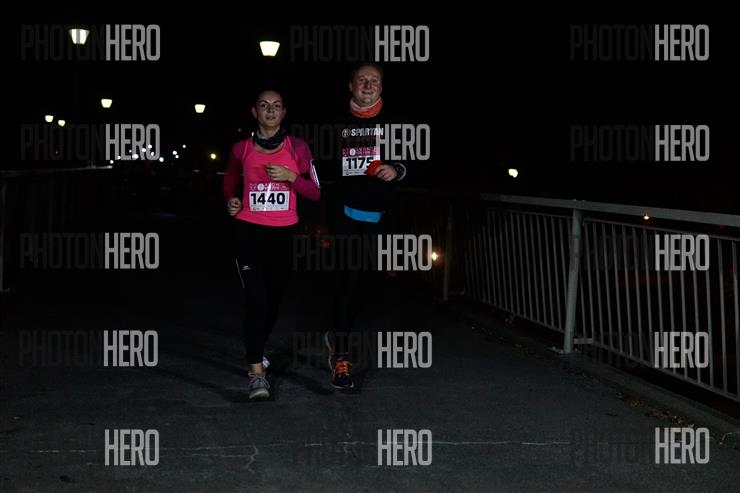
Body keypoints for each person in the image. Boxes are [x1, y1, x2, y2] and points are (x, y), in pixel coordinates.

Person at [224, 90, 321, 399]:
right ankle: (256, 373)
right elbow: (230, 177)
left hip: (284, 234)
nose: (270, 110)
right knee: (257, 300)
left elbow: (315, 192)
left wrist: (292, 176)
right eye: (264, 106)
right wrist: (231, 199)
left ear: (283, 112)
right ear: (255, 112)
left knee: (273, 302)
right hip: (249, 230)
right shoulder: (241, 148)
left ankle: (255, 347)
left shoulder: (298, 147)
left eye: (276, 106)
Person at [326, 63, 407, 390]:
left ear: (381, 88)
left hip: (379, 218)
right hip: (344, 214)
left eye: (374, 81)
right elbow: (317, 164)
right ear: (351, 86)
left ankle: (337, 332)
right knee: (349, 279)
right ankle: (341, 358)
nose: (368, 85)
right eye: (362, 80)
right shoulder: (335, 124)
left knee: (368, 283)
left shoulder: (395, 124)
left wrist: (397, 168)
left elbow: (416, 160)